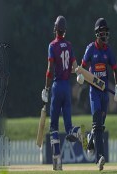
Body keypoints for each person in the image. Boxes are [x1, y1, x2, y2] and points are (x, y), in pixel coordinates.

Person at [41, 16, 86, 171]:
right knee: (68, 127)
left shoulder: (52, 46)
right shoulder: (69, 45)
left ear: (55, 29)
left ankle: (57, 160)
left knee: (53, 126)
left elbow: (49, 71)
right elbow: (74, 68)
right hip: (67, 87)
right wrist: (79, 74)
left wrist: (46, 89)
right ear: (65, 30)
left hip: (57, 85)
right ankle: (79, 132)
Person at [76, 18, 117, 171]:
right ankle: (100, 157)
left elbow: (114, 68)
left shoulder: (108, 50)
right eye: (102, 32)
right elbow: (81, 67)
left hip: (104, 94)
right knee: (97, 124)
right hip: (94, 91)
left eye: (106, 32)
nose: (105, 34)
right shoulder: (90, 49)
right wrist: (80, 76)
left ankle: (90, 139)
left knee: (100, 125)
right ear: (96, 33)